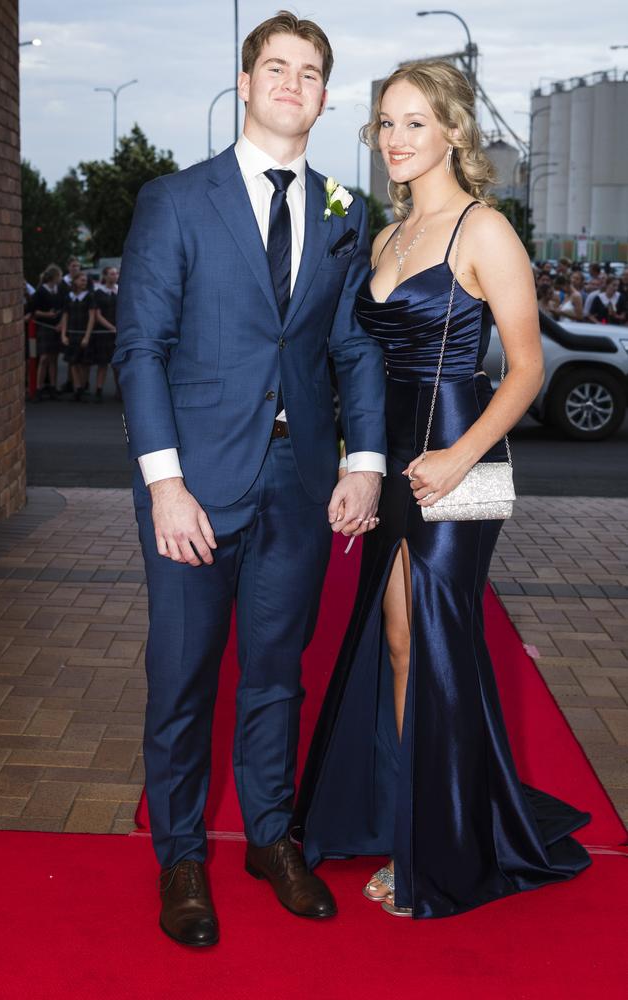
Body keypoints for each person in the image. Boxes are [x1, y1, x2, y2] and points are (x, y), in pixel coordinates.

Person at [113, 10, 385, 947]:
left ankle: (269, 837)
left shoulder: (347, 213)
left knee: (276, 676)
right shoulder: (176, 200)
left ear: (322, 94)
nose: (293, 82)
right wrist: (163, 483)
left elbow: (352, 347)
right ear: (245, 80)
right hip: (193, 485)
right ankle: (182, 855)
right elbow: (141, 348)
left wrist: (364, 461)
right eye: (278, 66)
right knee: (182, 679)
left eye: (311, 72)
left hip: (300, 481)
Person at [295, 59, 591, 920]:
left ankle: (449, 843)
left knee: (434, 637)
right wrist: (359, 456)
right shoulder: (383, 238)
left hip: (459, 455)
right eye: (385, 122)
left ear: (455, 132)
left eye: (415, 122)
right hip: (389, 457)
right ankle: (416, 817)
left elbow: (528, 368)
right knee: (394, 640)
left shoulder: (484, 230)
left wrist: (459, 455)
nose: (395, 138)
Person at [60, 271, 95, 401]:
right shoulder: (68, 297)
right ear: (75, 281)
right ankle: (77, 387)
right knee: (73, 362)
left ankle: (84, 385)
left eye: (85, 280)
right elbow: (65, 316)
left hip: (83, 333)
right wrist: (63, 334)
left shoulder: (89, 296)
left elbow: (92, 318)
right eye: (81, 280)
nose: (84, 282)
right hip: (72, 333)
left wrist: (87, 336)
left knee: (84, 362)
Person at [31, 264, 63, 401]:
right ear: (55, 277)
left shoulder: (58, 290)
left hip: (56, 327)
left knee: (54, 359)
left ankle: (53, 387)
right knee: (44, 358)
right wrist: (47, 315)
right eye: (60, 276)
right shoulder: (40, 291)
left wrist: (61, 323)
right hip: (44, 326)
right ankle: (39, 388)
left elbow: (63, 308)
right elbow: (34, 311)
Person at [92, 266, 119, 402]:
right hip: (104, 332)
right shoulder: (99, 292)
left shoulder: (121, 291)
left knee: (117, 364)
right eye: (111, 274)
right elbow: (97, 315)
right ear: (105, 276)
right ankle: (98, 390)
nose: (114, 276)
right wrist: (111, 327)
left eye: (115, 274)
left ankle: (119, 391)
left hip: (119, 333)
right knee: (102, 363)